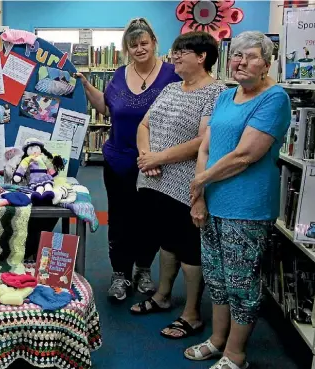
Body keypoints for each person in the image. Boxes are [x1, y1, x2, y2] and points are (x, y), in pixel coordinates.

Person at [185, 31, 291, 369]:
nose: (241, 62)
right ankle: (217, 340)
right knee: (216, 278)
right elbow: (205, 147)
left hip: (246, 208)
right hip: (211, 202)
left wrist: (199, 179)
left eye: (251, 57)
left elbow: (245, 155)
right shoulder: (226, 97)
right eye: (237, 56)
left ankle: (236, 353)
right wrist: (199, 196)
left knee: (241, 283)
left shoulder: (274, 99)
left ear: (267, 64)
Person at [129, 32, 227, 340]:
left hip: (186, 183)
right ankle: (163, 295)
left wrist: (159, 156)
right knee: (166, 242)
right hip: (154, 179)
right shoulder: (171, 88)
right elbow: (144, 124)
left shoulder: (216, 92)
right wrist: (146, 156)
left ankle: (192, 314)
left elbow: (203, 141)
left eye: (181, 52)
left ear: (201, 57)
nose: (174, 57)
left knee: (189, 248)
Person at [76, 18, 181, 301]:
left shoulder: (173, 74)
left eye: (144, 43)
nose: (139, 49)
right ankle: (120, 274)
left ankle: (143, 269)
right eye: (133, 45)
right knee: (120, 219)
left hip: (157, 163)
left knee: (150, 219)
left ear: (153, 43)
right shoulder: (120, 75)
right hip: (118, 160)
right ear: (127, 48)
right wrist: (86, 86)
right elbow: (108, 110)